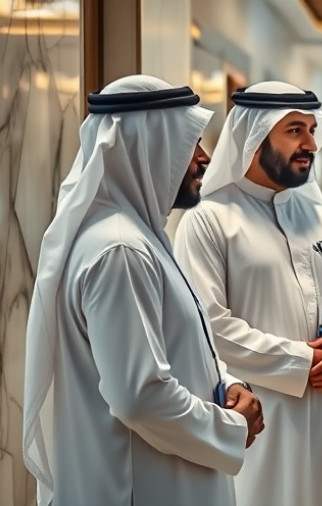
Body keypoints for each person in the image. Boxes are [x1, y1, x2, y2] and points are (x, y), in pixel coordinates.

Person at [22, 75, 265, 506]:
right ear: (146, 148)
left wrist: (224, 384)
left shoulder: (140, 238)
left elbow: (171, 350)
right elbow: (139, 397)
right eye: (191, 143)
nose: (204, 158)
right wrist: (231, 426)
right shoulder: (121, 250)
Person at [174, 81, 322, 506]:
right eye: (294, 130)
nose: (310, 143)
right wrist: (303, 362)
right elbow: (207, 326)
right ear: (254, 137)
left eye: (311, 130)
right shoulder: (209, 220)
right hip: (261, 417)